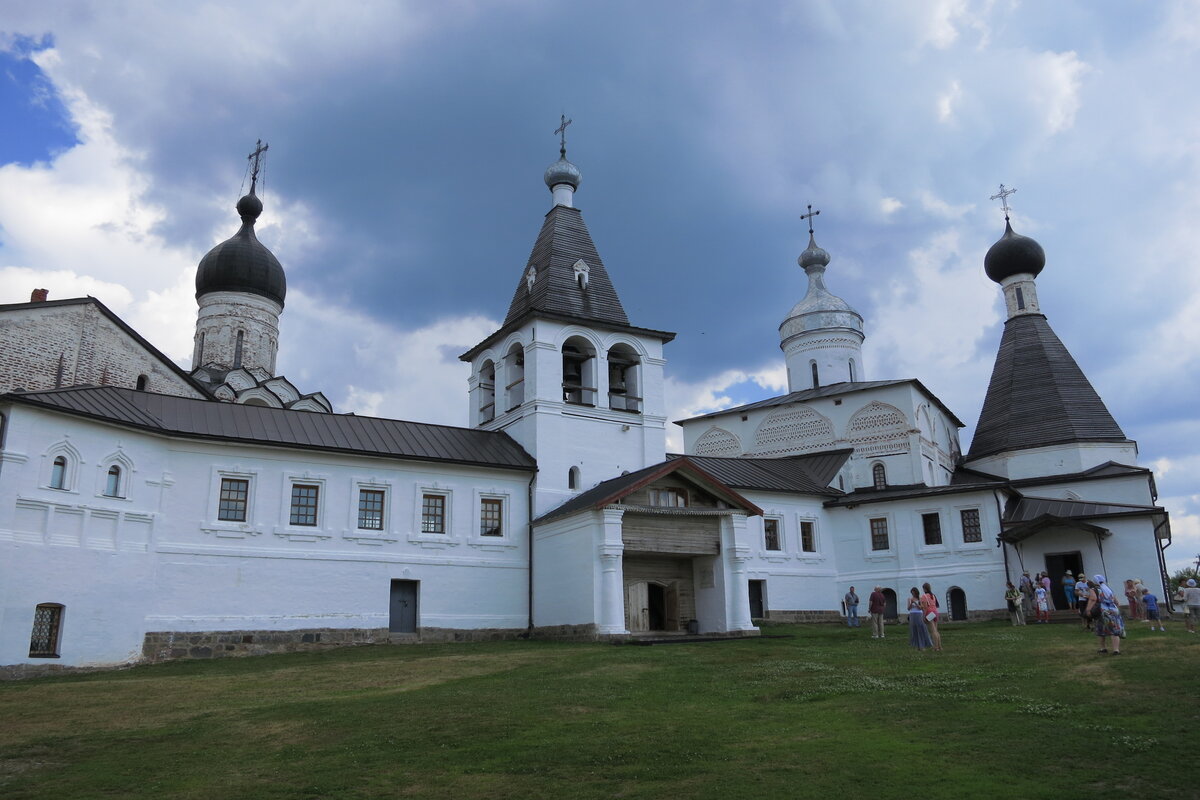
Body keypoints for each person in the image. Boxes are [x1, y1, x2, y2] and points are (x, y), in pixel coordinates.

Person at [1087, 575, 1124, 655]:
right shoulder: (1108, 588)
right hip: (1113, 610)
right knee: (1114, 630)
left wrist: (1088, 609)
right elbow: (1116, 602)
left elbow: (1093, 599)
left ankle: (1103, 648)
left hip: (1102, 611)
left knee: (1101, 629)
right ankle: (1116, 650)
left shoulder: (1093, 589)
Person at [920, 582, 942, 651]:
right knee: (936, 630)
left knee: (933, 631)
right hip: (935, 612)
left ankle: (935, 647)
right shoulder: (933, 596)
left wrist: (924, 616)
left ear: (924, 589)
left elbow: (925, 607)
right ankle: (939, 646)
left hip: (929, 613)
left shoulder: (924, 596)